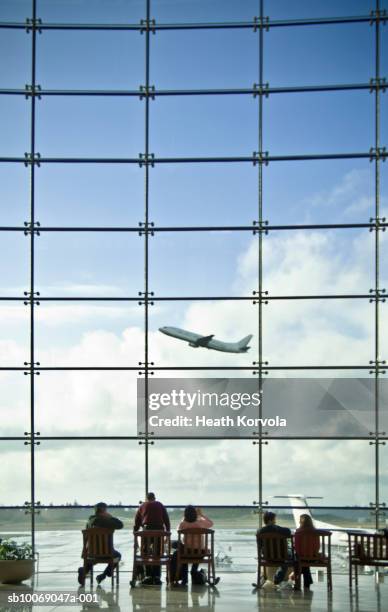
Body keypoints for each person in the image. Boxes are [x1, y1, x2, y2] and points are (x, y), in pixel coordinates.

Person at [78, 502, 123, 586]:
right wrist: (111, 517)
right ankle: (104, 575)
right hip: (107, 554)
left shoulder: (90, 521)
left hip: (91, 553)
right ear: (104, 511)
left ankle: (84, 570)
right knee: (118, 555)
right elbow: (120, 525)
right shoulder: (106, 521)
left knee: (92, 557)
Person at [171, 505, 214, 585]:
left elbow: (178, 530)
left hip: (187, 553)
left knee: (182, 552)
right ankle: (194, 571)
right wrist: (201, 515)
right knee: (194, 551)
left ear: (185, 514)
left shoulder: (183, 524)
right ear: (195, 514)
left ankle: (185, 579)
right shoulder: (200, 523)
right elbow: (211, 523)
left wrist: (184, 518)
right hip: (200, 553)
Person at [133, 492, 170, 586]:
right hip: (159, 530)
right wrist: (167, 534)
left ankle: (148, 576)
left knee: (144, 552)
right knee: (158, 552)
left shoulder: (142, 506)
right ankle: (157, 577)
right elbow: (166, 519)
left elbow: (137, 521)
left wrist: (135, 532)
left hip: (147, 530)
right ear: (154, 498)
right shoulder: (160, 504)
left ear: (146, 498)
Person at [257, 511, 292, 586]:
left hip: (267, 557)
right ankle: (278, 578)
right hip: (282, 557)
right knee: (290, 556)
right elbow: (289, 531)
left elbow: (259, 546)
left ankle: (262, 578)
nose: (275, 521)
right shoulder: (280, 530)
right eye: (274, 519)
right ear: (270, 520)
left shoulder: (260, 531)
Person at [294, 513, 320, 589]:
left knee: (298, 560)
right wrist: (312, 553)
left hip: (301, 557)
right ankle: (307, 582)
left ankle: (298, 582)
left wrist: (301, 554)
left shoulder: (298, 532)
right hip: (313, 558)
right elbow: (317, 546)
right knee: (305, 563)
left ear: (301, 522)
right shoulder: (315, 532)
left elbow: (297, 547)